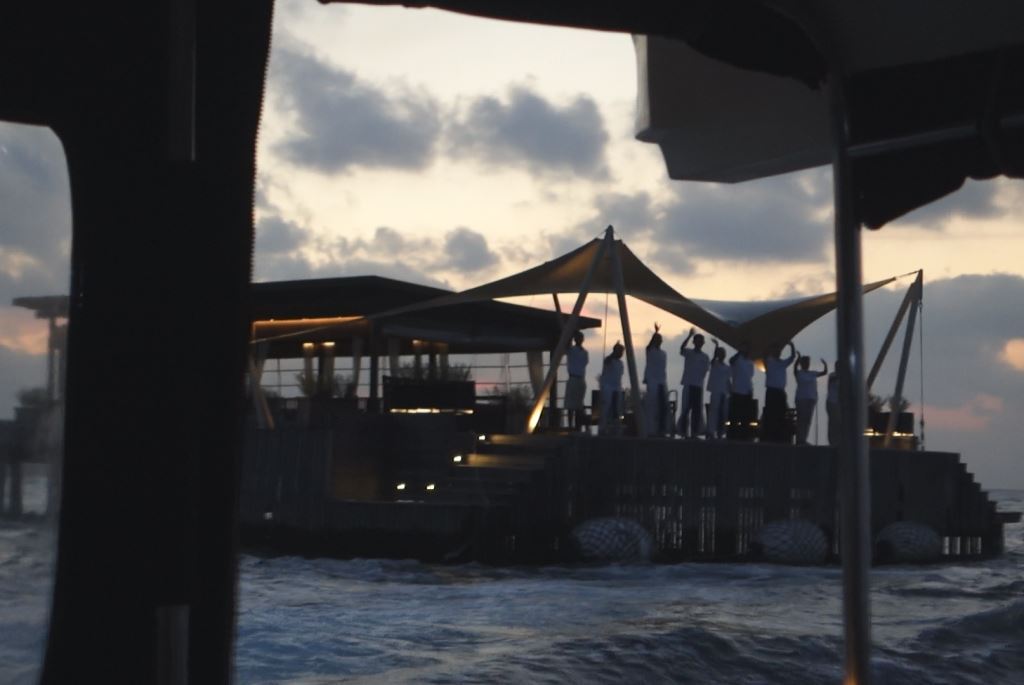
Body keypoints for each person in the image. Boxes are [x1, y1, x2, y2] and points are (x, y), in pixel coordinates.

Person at [678, 328, 709, 438]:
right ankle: (683, 432)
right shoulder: (689, 352)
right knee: (685, 409)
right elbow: (681, 349)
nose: (699, 343)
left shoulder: (705, 357)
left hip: (698, 386)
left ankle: (694, 432)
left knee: (697, 411)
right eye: (697, 340)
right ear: (694, 342)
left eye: (701, 341)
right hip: (688, 384)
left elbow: (705, 371)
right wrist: (689, 336)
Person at [761, 341, 796, 442]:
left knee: (781, 413)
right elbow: (764, 354)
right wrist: (771, 345)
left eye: (779, 351)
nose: (778, 353)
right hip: (771, 391)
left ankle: (779, 434)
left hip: (780, 391)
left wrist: (791, 345)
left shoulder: (782, 363)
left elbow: (792, 357)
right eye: (776, 351)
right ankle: (769, 434)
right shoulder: (769, 361)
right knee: (770, 413)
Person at [794, 356, 828, 445]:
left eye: (808, 363)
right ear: (802, 364)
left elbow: (824, 372)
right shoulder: (799, 373)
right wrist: (797, 360)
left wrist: (825, 364)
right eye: (805, 362)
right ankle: (799, 439)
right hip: (801, 399)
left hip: (811, 399)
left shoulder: (812, 373)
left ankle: (803, 439)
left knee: (807, 420)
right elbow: (794, 370)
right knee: (801, 419)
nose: (807, 364)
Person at [643, 324, 668, 435]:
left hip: (661, 381)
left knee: (662, 406)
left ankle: (661, 429)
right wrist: (655, 333)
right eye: (657, 340)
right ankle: (651, 429)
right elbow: (649, 346)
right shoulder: (650, 350)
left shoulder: (663, 353)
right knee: (652, 406)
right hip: (652, 381)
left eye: (660, 340)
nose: (659, 341)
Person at [728, 346, 756, 440]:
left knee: (746, 415)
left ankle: (745, 435)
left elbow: (750, 376)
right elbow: (731, 361)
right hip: (737, 390)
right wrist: (739, 352)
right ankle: (733, 435)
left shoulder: (750, 361)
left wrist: (750, 390)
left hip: (747, 391)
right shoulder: (737, 359)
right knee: (735, 415)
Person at [564, 330, 589, 432]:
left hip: (581, 379)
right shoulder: (571, 350)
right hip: (573, 378)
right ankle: (570, 426)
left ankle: (577, 427)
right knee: (570, 405)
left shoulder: (585, 352)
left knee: (579, 405)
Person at [599, 342, 625, 435]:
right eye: (620, 351)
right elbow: (607, 360)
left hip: (617, 388)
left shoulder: (621, 363)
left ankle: (615, 428)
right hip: (608, 388)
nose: (622, 354)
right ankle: (602, 428)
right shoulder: (608, 360)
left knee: (617, 410)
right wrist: (614, 351)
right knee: (606, 408)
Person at [706, 340, 730, 439]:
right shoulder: (714, 364)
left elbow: (728, 380)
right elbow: (712, 361)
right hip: (715, 391)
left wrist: (730, 390)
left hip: (724, 392)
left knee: (723, 413)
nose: (722, 355)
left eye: (723, 353)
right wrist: (716, 347)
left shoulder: (727, 367)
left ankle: (721, 431)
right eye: (720, 353)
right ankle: (711, 431)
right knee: (714, 412)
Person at [826, 360, 840, 447]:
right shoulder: (832, 375)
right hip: (832, 402)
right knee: (832, 423)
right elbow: (832, 381)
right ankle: (832, 441)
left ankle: (838, 441)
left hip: (840, 403)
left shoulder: (845, 376)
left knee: (839, 423)